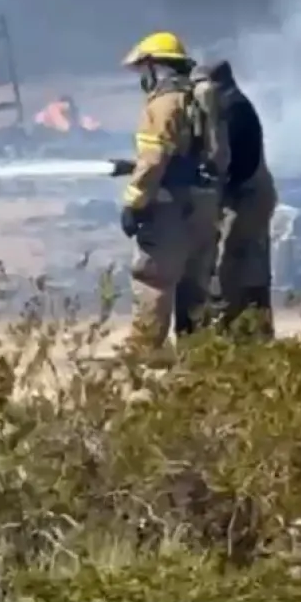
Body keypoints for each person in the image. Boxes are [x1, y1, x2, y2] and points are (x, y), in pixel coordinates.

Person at [118, 31, 223, 358]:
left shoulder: (163, 103)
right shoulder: (197, 98)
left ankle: (144, 354)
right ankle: (198, 356)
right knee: (196, 281)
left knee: (154, 277)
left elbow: (154, 160)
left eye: (143, 69)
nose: (143, 77)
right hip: (204, 203)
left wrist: (134, 204)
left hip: (169, 207)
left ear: (155, 66)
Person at [196, 59, 278, 338]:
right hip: (252, 194)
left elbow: (236, 163)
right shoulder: (234, 105)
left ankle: (237, 330)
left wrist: (218, 188)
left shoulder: (233, 109)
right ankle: (255, 331)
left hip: (247, 198)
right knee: (252, 265)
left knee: (233, 264)